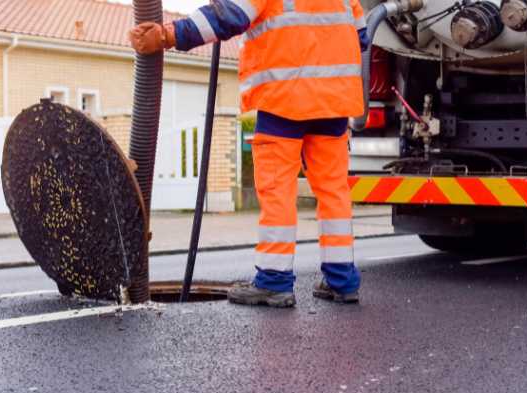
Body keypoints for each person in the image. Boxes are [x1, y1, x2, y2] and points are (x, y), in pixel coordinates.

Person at [129, 0, 369, 307]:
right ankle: (342, 281)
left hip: (283, 99)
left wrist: (168, 35)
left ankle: (274, 281)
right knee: (334, 191)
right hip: (334, 103)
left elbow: (228, 16)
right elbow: (360, 38)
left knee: (277, 190)